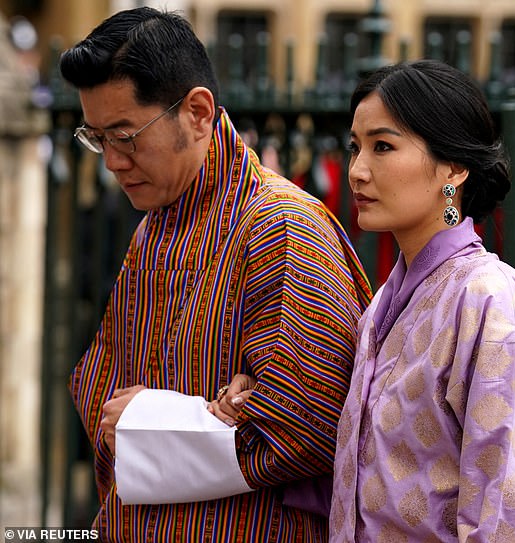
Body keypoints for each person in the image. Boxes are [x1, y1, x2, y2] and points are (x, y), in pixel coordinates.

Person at [216, 59, 515, 541]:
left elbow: (512, 517)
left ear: (454, 167)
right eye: (355, 147)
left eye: (382, 146)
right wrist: (256, 401)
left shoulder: (492, 303)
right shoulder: (382, 306)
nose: (357, 171)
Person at [60, 7, 372, 542]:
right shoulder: (154, 226)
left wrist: (155, 417)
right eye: (97, 138)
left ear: (198, 113)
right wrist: (207, 413)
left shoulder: (281, 226)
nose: (111, 161)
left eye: (125, 136)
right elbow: (101, 394)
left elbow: (310, 423)